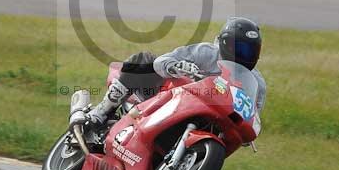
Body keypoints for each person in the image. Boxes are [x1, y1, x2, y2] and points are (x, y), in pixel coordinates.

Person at [70, 17, 266, 129]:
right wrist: (176, 66)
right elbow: (161, 60)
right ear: (224, 43)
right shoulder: (207, 52)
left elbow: (254, 114)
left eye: (249, 50)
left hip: (211, 119)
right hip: (171, 98)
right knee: (144, 59)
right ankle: (100, 112)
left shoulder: (257, 83)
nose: (243, 55)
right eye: (239, 48)